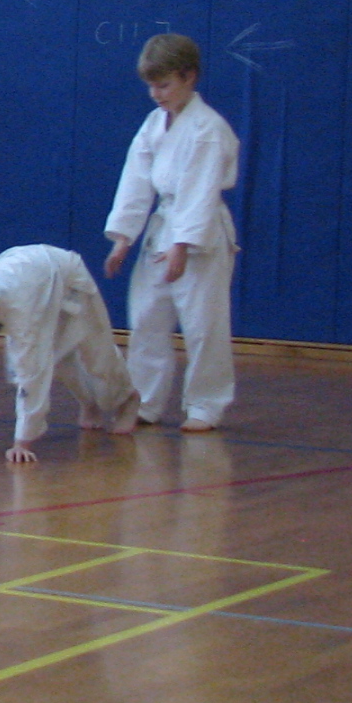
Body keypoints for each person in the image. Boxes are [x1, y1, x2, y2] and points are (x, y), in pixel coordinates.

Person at [104, 33, 241, 432]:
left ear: (189, 77)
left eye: (164, 85)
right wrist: (123, 238)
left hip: (200, 234)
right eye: (151, 85)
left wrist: (183, 244)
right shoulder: (154, 123)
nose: (155, 94)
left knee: (203, 324)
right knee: (146, 317)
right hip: (161, 228)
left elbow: (201, 190)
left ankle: (206, 403)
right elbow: (135, 180)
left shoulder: (208, 128)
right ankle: (144, 400)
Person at [0, 251, 137, 462]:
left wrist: (22, 443)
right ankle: (89, 402)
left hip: (66, 277)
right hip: (27, 275)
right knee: (60, 361)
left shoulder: (19, 308)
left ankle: (128, 399)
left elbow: (32, 373)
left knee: (96, 354)